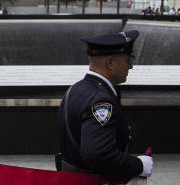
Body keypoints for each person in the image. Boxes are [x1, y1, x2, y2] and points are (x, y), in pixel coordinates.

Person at [57, 30, 153, 177]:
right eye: (127, 60)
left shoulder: (76, 89)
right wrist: (139, 165)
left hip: (72, 184)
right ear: (110, 63)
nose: (130, 66)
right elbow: (98, 154)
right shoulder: (100, 100)